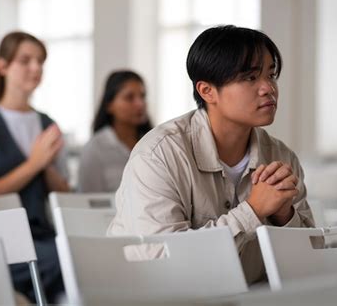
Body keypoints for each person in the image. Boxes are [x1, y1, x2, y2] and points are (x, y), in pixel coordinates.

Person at [107, 25, 315, 284]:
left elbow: (311, 263)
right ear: (207, 91)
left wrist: (285, 215)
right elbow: (160, 260)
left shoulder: (281, 157)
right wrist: (253, 210)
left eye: (271, 75)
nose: (268, 88)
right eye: (250, 78)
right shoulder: (158, 154)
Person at [0, 31, 68, 303]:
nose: (36, 67)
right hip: (0, 243)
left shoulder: (48, 123)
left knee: (78, 254)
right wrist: (34, 164)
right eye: (26, 60)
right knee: (65, 260)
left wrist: (45, 167)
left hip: (43, 236)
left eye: (41, 61)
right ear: (2, 66)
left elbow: (64, 192)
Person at [78, 70, 152, 192]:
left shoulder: (153, 144)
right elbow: (87, 202)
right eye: (129, 97)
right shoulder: (94, 149)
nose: (140, 104)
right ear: (109, 105)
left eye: (142, 96)